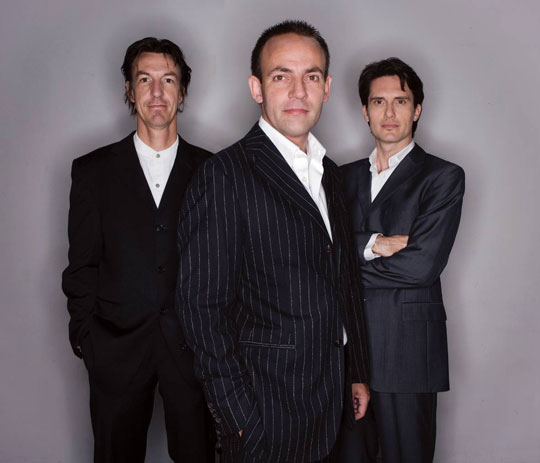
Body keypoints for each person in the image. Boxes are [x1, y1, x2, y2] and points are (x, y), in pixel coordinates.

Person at [176, 20, 370, 463]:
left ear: (326, 88)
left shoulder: (330, 173)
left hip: (330, 399)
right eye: (281, 76)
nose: (298, 91)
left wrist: (356, 369)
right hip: (265, 413)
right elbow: (200, 308)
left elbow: (344, 278)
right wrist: (239, 417)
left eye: (311, 77)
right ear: (256, 88)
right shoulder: (224, 175)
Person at [62, 37, 214, 463]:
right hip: (116, 348)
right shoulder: (92, 171)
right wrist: (87, 340)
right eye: (145, 80)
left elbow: (226, 265)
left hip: (194, 350)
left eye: (168, 80)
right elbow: (82, 265)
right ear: (129, 90)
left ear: (182, 91)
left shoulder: (213, 171)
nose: (157, 92)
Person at [342, 57, 465, 463]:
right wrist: (375, 243)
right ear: (365, 111)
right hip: (346, 354)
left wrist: (342, 268)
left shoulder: (442, 176)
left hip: (408, 353)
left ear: (417, 110)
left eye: (401, 101)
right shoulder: (338, 178)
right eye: (378, 102)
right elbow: (317, 250)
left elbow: (421, 266)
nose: (389, 113)